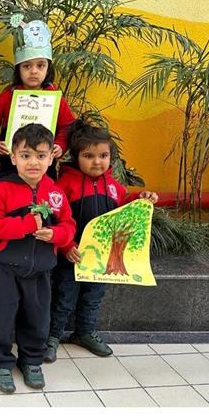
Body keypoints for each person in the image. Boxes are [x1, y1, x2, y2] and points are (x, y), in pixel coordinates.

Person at [45, 121, 158, 361]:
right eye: (89, 156)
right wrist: (66, 246)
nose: (97, 162)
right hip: (71, 256)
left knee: (93, 297)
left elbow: (123, 208)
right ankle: (52, 337)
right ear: (76, 157)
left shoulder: (114, 187)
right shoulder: (64, 185)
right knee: (63, 298)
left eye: (103, 155)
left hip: (102, 260)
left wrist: (141, 198)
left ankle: (84, 332)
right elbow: (53, 219)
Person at [0, 123, 76, 392]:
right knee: (0, 318)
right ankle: (0, 361)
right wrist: (26, 225)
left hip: (41, 270)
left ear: (51, 158)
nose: (33, 162)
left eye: (40, 155)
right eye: (25, 155)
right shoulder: (3, 190)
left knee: (37, 319)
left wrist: (55, 234)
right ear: (13, 158)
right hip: (6, 269)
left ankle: (32, 361)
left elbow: (69, 226)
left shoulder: (55, 193)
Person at [0, 16, 75, 178]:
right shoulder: (7, 97)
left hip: (45, 166)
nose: (34, 71)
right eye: (27, 66)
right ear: (18, 69)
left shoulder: (56, 99)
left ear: (48, 68)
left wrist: (60, 145)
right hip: (10, 165)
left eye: (40, 65)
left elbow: (68, 127)